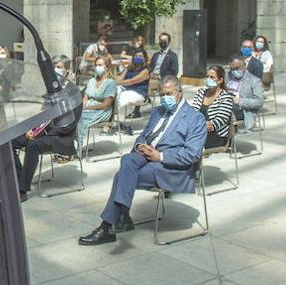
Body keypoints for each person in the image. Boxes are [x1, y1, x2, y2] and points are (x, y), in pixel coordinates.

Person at [77, 76, 207, 245]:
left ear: (180, 94)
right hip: (146, 155)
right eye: (162, 94)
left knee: (121, 176)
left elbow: (192, 154)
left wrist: (159, 156)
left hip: (170, 166)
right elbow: (144, 134)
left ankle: (108, 226)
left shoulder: (195, 118)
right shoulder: (157, 111)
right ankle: (121, 218)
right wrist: (140, 145)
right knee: (127, 160)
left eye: (169, 93)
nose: (165, 98)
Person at [12, 56, 82, 201]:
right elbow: (41, 115)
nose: (56, 70)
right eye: (54, 67)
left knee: (33, 145)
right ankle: (19, 179)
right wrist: (30, 130)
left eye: (59, 66)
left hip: (61, 137)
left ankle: (22, 190)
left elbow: (68, 126)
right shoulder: (50, 90)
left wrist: (39, 133)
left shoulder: (73, 93)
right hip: (41, 132)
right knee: (10, 142)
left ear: (67, 71)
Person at [188, 66, 237, 148]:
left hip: (216, 135)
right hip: (198, 129)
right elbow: (194, 112)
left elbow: (219, 121)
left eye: (212, 77)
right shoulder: (201, 92)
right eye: (207, 77)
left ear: (220, 80)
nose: (208, 79)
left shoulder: (225, 97)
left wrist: (201, 125)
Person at [75, 54, 119, 145]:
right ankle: (68, 145)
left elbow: (106, 104)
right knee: (71, 115)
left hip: (103, 111)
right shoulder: (92, 81)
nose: (97, 67)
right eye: (96, 65)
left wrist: (87, 109)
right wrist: (82, 107)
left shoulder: (110, 83)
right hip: (89, 107)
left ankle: (77, 147)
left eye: (100, 65)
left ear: (107, 67)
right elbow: (85, 98)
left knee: (79, 118)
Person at [225, 55, 265, 130]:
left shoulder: (254, 81)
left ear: (244, 66)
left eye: (237, 68)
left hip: (242, 110)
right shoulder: (227, 77)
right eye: (232, 69)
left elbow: (259, 102)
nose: (234, 71)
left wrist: (239, 100)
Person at [115, 47, 151, 123]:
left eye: (140, 56)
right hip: (125, 89)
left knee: (121, 98)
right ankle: (107, 116)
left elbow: (132, 81)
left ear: (145, 58)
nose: (138, 58)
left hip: (138, 93)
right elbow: (120, 79)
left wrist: (118, 83)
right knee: (111, 92)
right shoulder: (129, 68)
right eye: (136, 56)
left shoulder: (145, 70)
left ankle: (109, 119)